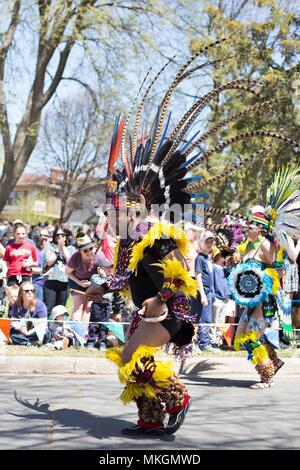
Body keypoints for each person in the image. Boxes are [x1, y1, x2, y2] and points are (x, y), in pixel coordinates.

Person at [71, 42, 298, 434]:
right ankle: (149, 418)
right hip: (159, 306)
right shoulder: (128, 242)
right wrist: (97, 290)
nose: (109, 218)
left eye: (115, 211)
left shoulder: (154, 235)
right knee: (130, 358)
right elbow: (123, 278)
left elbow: (180, 277)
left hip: (177, 308)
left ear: (134, 210)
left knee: (134, 355)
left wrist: (158, 302)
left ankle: (177, 399)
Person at [229, 166, 300, 388]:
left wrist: (268, 279)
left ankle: (266, 376)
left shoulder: (266, 244)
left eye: (251, 224)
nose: (246, 226)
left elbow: (279, 269)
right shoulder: (246, 245)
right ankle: (275, 361)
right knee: (241, 336)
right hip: (249, 300)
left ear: (259, 229)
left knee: (251, 336)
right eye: (247, 223)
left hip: (265, 300)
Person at [43, 226, 75, 315]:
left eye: (63, 235)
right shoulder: (49, 247)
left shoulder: (71, 248)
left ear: (67, 236)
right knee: (49, 308)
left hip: (65, 281)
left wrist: (63, 248)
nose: (60, 237)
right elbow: (49, 262)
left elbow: (70, 263)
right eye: (58, 235)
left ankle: (59, 328)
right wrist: (58, 249)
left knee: (61, 309)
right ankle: (48, 327)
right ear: (54, 236)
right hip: (51, 281)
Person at [8, 281, 51, 345]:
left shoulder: (40, 305)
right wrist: (22, 331)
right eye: (27, 291)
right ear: (21, 293)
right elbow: (14, 322)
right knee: (12, 333)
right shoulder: (16, 305)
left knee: (46, 333)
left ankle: (25, 342)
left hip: (36, 331)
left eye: (32, 290)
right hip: (21, 331)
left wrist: (28, 333)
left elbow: (43, 325)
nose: (30, 292)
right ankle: (31, 342)